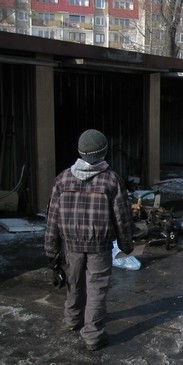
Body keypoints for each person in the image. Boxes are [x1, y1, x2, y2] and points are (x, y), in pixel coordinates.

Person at [44, 129, 134, 351]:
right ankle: (93, 335)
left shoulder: (62, 179)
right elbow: (122, 217)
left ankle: (72, 320)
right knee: (96, 289)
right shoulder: (112, 180)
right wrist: (126, 244)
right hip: (100, 247)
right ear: (103, 152)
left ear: (80, 151)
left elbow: (52, 218)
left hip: (71, 245)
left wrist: (51, 250)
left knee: (73, 283)